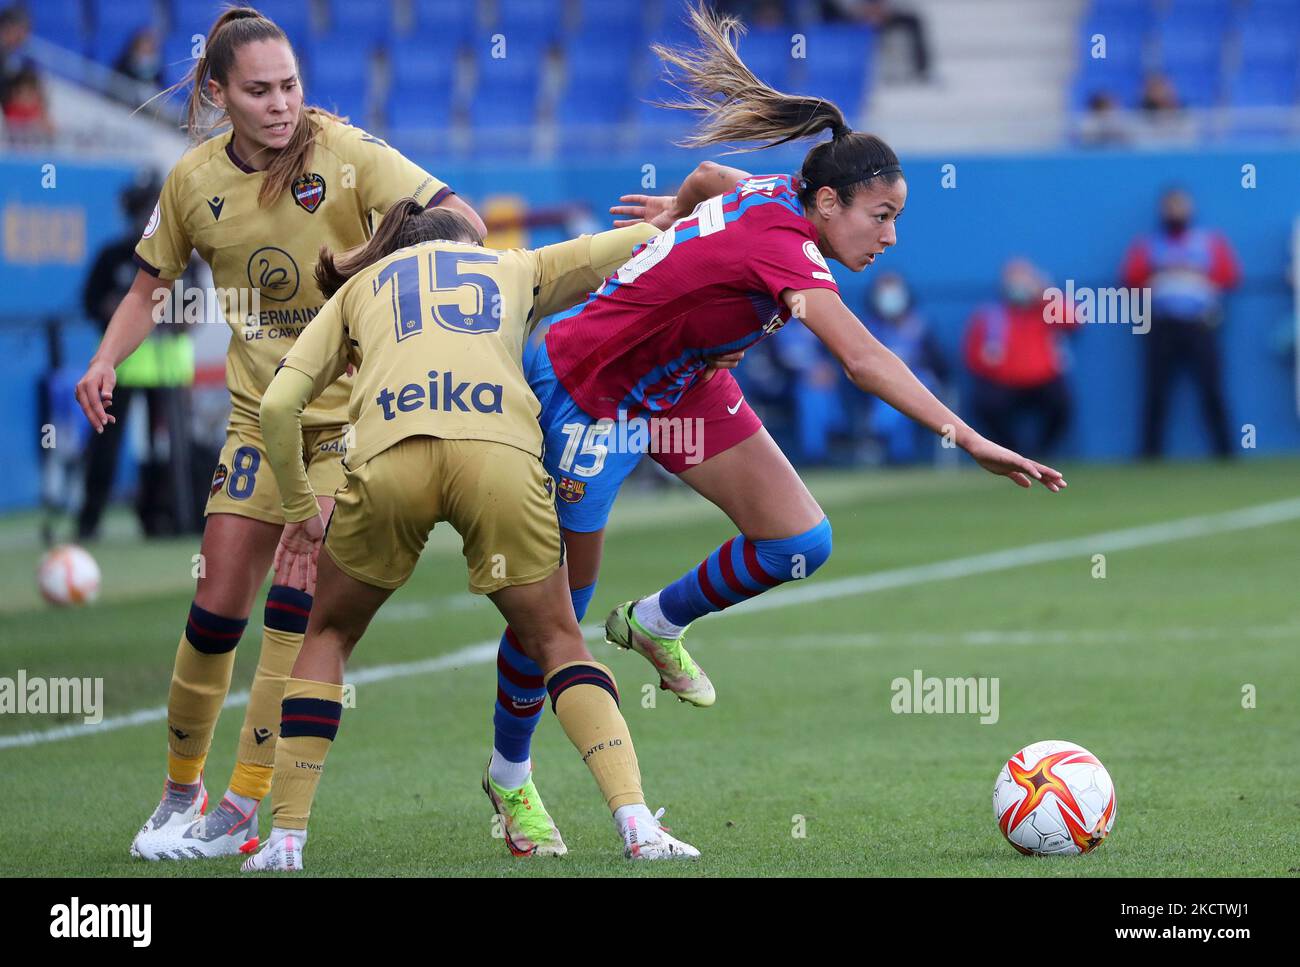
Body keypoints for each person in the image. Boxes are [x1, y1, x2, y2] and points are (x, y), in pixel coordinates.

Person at [479, 3, 1065, 856]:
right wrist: (968, 436)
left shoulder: (771, 200)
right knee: (554, 619)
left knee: (800, 540)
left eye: (898, 216)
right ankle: (510, 776)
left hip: (677, 387)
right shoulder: (787, 246)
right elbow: (862, 360)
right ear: (828, 203)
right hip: (589, 393)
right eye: (881, 215)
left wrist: (672, 213)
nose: (892, 235)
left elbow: (715, 175)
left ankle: (655, 621)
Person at [72, 5, 486, 863]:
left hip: (357, 425)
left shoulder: (345, 152)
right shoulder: (191, 183)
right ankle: (178, 792)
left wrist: (366, 257)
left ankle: (241, 806)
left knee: (296, 599)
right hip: (263, 420)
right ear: (218, 94)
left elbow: (465, 224)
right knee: (216, 605)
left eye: (291, 85)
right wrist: (107, 358)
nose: (281, 104)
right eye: (258, 90)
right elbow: (152, 285)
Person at [242, 202, 698, 870]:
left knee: (328, 636)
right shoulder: (511, 267)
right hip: (498, 456)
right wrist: (696, 204)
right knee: (558, 641)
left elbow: (279, 405)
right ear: (462, 240)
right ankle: (636, 824)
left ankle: (285, 839)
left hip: (390, 456)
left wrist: (300, 506)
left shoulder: (357, 289)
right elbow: (641, 243)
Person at [1121, 187, 1240, 458]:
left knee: (1211, 388)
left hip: (1200, 324)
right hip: (1162, 325)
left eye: (1181, 206)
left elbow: (1229, 276)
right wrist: (1161, 274)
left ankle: (1226, 452)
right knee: (1156, 391)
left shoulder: (1208, 242)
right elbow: (1131, 278)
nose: (1176, 212)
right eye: (1170, 207)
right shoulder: (1149, 244)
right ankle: (1150, 454)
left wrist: (1196, 276)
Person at [963, 258, 1076, 458]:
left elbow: (1073, 321)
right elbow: (972, 356)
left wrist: (1046, 293)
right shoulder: (990, 315)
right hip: (1003, 383)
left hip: (1042, 382)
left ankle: (1041, 453)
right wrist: (989, 365)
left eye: (1024, 280)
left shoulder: (1045, 310)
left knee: (1061, 403)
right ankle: (1010, 453)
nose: (1019, 286)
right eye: (1014, 280)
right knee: (986, 404)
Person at [862, 272, 949, 463]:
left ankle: (879, 431)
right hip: (880, 386)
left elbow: (942, 365)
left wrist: (915, 362)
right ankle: (899, 453)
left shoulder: (921, 324)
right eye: (884, 289)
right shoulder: (868, 327)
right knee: (891, 392)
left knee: (905, 390)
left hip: (921, 383)